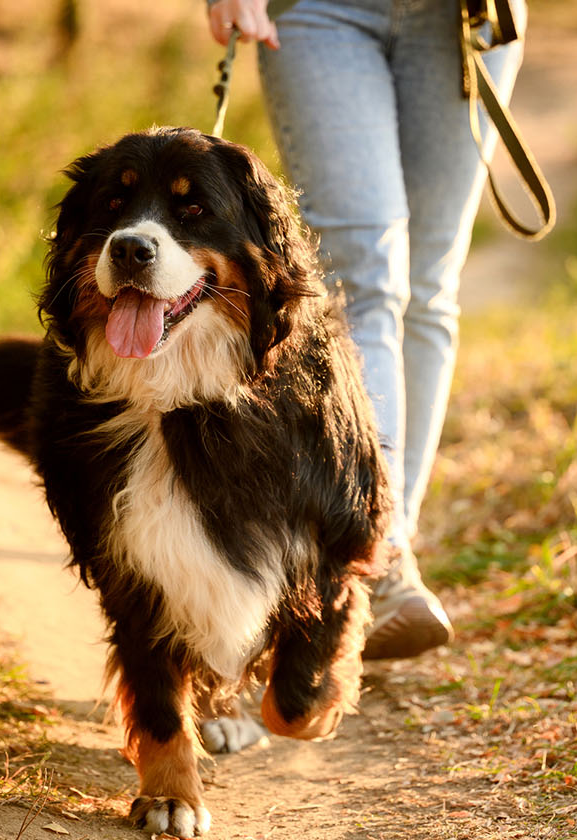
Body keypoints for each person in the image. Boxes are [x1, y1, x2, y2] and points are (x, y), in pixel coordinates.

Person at [205, 0, 524, 659]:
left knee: (429, 288)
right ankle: (380, 558)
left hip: (466, 18)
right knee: (366, 276)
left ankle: (371, 554)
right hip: (324, 11)